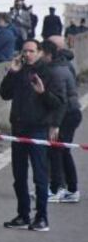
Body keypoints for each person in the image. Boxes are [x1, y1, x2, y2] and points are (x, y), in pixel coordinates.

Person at [0, 40, 64, 232]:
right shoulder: (19, 71)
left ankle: (42, 217)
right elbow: (4, 94)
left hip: (38, 128)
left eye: (31, 51)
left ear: (39, 52)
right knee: (19, 175)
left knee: (39, 175)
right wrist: (11, 72)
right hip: (18, 128)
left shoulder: (48, 72)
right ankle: (23, 214)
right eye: (24, 51)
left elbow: (59, 103)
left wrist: (43, 93)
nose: (27, 54)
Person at [42, 38, 80, 203]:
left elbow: (61, 101)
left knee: (56, 151)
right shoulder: (62, 66)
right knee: (63, 151)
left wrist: (55, 125)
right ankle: (70, 189)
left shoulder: (56, 71)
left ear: (48, 54)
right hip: (70, 113)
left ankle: (57, 188)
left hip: (66, 115)